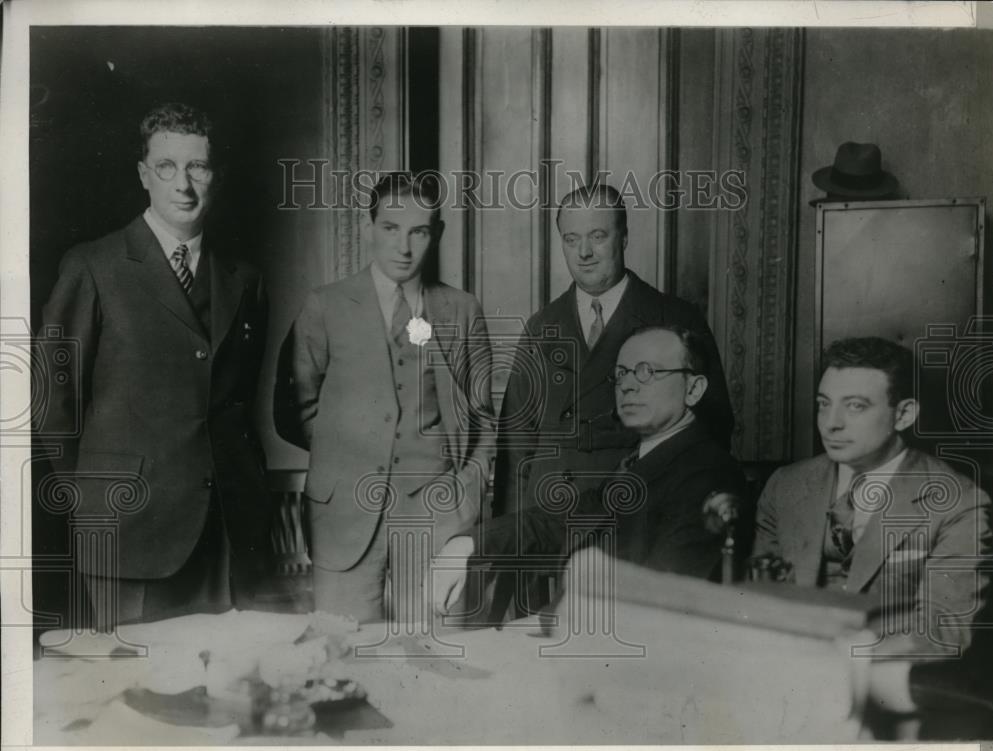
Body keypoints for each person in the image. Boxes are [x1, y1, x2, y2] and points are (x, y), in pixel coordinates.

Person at [38, 102, 272, 627]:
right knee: (134, 698)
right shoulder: (93, 265)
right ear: (145, 175)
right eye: (167, 167)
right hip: (127, 534)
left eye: (199, 167)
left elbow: (237, 406)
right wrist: (92, 501)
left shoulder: (244, 279)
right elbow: (52, 405)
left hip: (227, 533)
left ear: (217, 175)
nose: (183, 184)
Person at [274, 172, 495, 623]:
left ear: (437, 234)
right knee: (345, 663)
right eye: (391, 229)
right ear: (368, 228)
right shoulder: (325, 305)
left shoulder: (462, 310)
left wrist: (465, 494)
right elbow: (295, 410)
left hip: (439, 516)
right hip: (346, 519)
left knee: (439, 664)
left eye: (419, 231)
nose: (404, 247)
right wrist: (349, 453)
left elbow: (484, 420)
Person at [433, 324, 745, 616]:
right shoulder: (644, 460)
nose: (627, 386)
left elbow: (667, 606)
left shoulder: (706, 473)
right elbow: (558, 521)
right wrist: (467, 544)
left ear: (694, 388)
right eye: (621, 374)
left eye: (647, 371)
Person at [493, 184, 734, 522]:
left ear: (623, 238)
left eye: (597, 236)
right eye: (571, 239)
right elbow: (516, 448)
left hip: (637, 516)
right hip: (547, 520)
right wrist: (514, 541)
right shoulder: (541, 326)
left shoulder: (674, 318)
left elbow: (712, 433)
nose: (584, 252)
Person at [753, 337, 993, 653]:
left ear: (904, 415)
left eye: (855, 406)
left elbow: (943, 630)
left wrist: (838, 656)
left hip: (881, 683)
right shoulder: (786, 484)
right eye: (824, 404)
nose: (831, 424)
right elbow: (758, 598)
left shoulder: (959, 503)